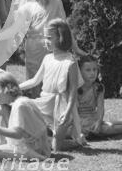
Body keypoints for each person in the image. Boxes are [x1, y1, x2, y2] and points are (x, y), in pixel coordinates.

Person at [0, 0, 86, 98]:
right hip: (33, 50)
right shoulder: (26, 7)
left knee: (56, 81)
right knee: (35, 84)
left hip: (54, 47)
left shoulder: (56, 1)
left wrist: (76, 48)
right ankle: (38, 112)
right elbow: (13, 30)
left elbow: (65, 27)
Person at [19, 19, 83, 152]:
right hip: (44, 103)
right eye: (44, 37)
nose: (45, 41)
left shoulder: (70, 62)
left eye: (49, 38)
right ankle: (45, 140)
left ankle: (74, 142)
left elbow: (72, 92)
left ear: (60, 37)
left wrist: (68, 112)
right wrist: (16, 87)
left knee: (56, 148)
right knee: (22, 108)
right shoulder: (47, 58)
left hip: (61, 107)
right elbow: (34, 81)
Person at [0, 73, 51, 161]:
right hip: (22, 147)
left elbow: (17, 134)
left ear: (8, 87)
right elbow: (15, 133)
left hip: (35, 151)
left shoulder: (21, 104)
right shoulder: (16, 104)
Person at [76, 55, 122, 137]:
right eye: (88, 70)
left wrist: (98, 123)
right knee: (69, 131)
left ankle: (109, 124)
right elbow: (72, 111)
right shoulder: (75, 88)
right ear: (80, 71)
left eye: (94, 69)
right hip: (77, 122)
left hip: (93, 121)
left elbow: (100, 108)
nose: (92, 73)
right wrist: (78, 126)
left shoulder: (99, 88)